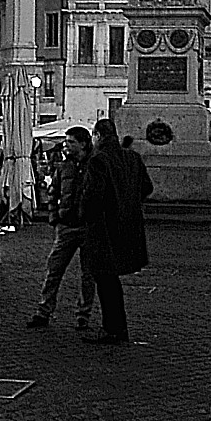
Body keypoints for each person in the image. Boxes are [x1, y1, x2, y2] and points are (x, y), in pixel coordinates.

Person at [80, 118, 150, 343]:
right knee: (111, 279)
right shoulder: (133, 158)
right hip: (128, 225)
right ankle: (117, 327)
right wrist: (129, 203)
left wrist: (84, 215)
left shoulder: (99, 160)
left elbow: (93, 195)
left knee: (105, 279)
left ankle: (113, 328)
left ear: (98, 136)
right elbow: (147, 187)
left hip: (104, 228)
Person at [26, 128, 96, 329]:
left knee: (88, 274)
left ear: (83, 144)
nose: (66, 145)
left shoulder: (94, 165)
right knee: (53, 270)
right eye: (66, 142)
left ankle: (83, 315)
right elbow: (53, 191)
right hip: (66, 225)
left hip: (87, 226)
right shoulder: (65, 166)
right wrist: (54, 217)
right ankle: (43, 311)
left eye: (71, 142)